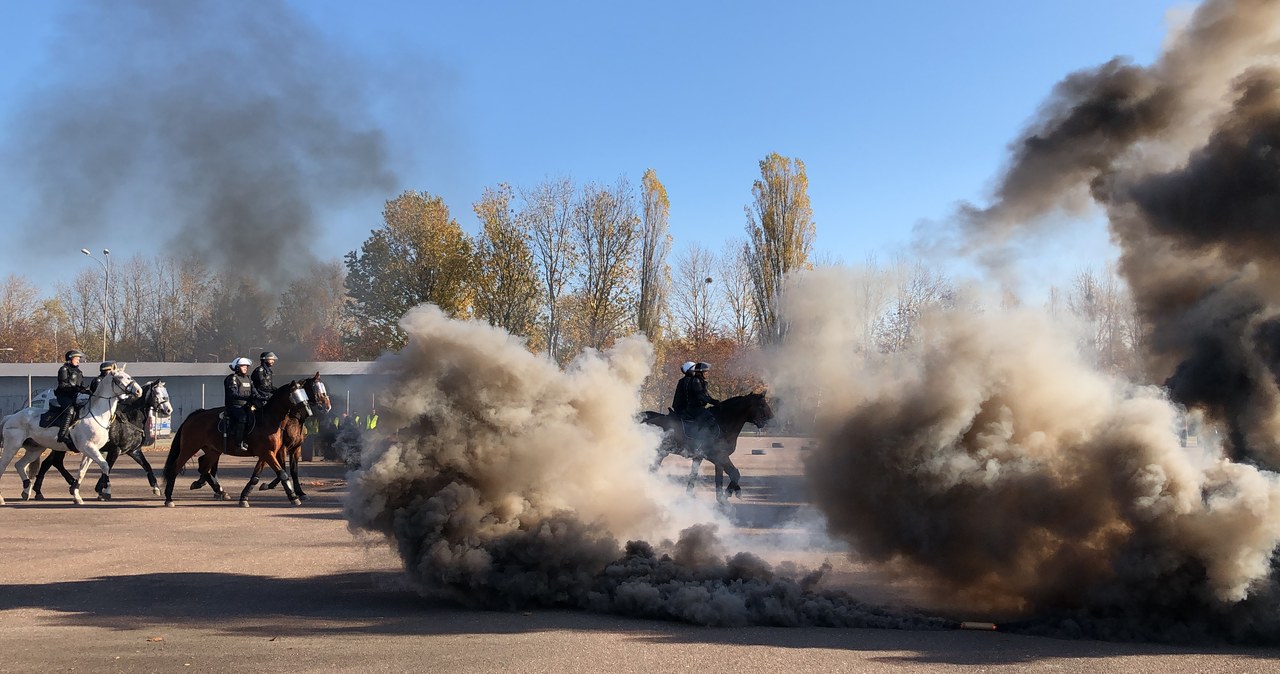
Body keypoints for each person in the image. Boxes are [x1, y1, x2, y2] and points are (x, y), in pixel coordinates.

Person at [671, 361, 719, 441]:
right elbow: (701, 396)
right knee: (709, 418)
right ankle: (704, 440)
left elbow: (704, 395)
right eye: (705, 371)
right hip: (690, 408)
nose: (707, 373)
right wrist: (714, 402)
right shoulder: (693, 381)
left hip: (687, 408)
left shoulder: (689, 380)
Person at [54, 350, 91, 442]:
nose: (78, 361)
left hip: (73, 397)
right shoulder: (64, 369)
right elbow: (63, 385)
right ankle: (62, 434)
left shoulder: (79, 372)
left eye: (79, 359)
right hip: (63, 396)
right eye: (77, 359)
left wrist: (87, 391)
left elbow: (81, 386)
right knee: (70, 410)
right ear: (70, 359)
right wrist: (76, 389)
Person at [224, 357, 255, 452]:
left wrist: (261, 397)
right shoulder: (232, 378)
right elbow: (233, 393)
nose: (245, 368)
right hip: (235, 406)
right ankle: (239, 442)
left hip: (247, 405)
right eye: (243, 366)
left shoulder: (248, 378)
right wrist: (248, 397)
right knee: (243, 418)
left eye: (246, 366)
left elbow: (254, 391)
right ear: (237, 367)